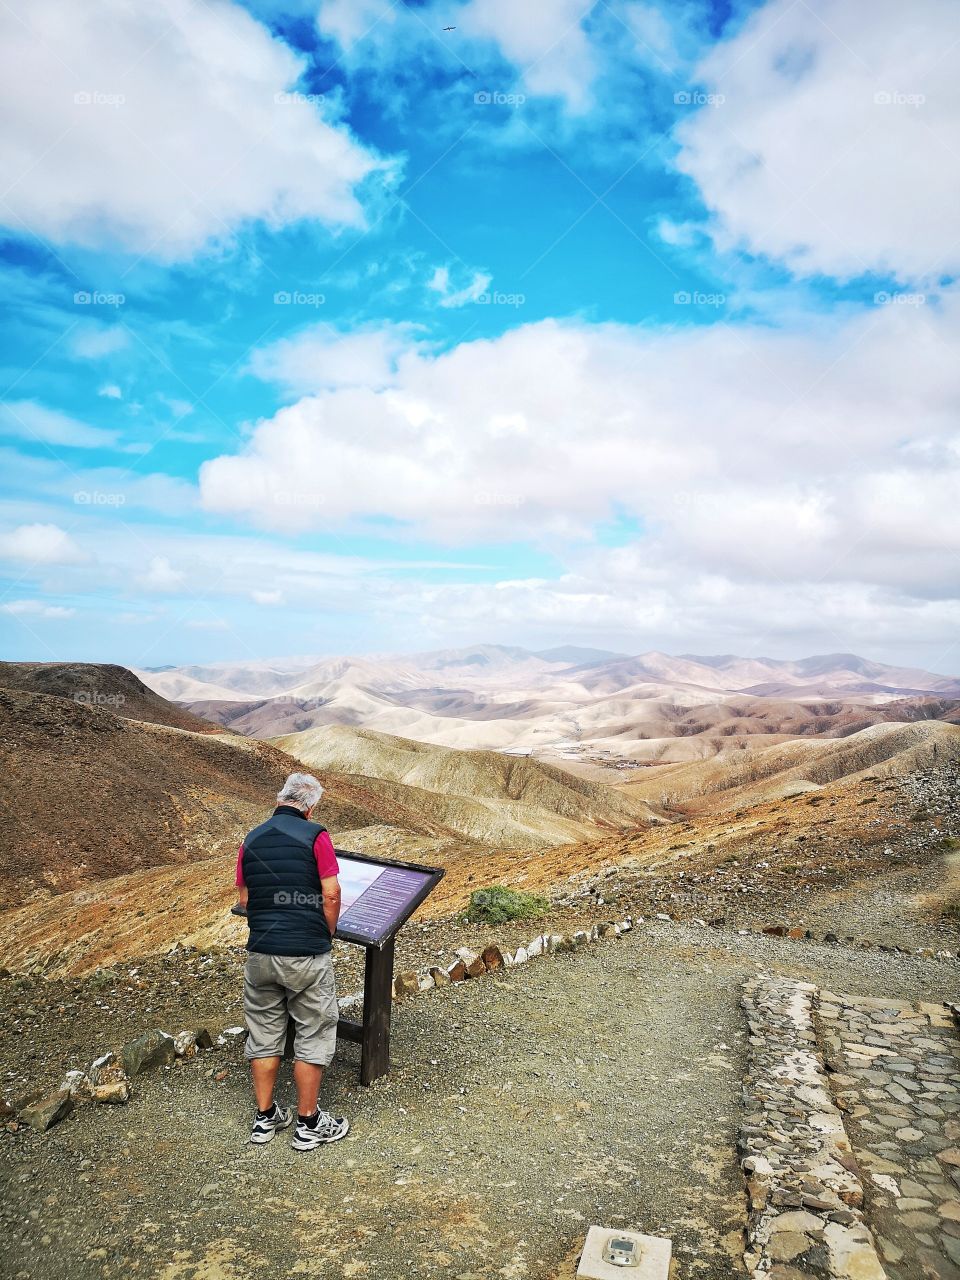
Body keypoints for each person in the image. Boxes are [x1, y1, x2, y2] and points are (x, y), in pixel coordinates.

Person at [235, 771, 350, 1151]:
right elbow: (331, 893)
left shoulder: (250, 839)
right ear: (311, 805)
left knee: (264, 1035)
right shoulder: (316, 836)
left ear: (281, 798)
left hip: (261, 953)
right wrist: (326, 930)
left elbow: (246, 900)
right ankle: (308, 1124)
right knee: (313, 1034)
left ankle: (265, 1119)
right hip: (305, 953)